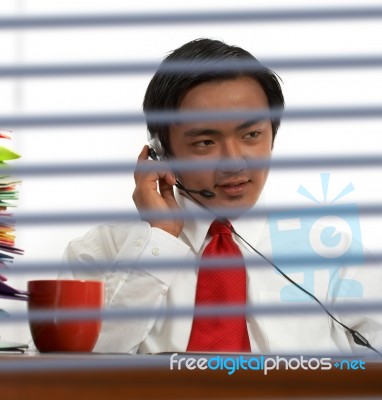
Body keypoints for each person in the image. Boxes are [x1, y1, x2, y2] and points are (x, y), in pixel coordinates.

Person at [62, 38, 382, 355]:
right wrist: (157, 241)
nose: (234, 162)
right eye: (205, 142)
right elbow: (78, 373)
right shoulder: (98, 253)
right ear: (161, 152)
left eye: (252, 135)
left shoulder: (333, 255)